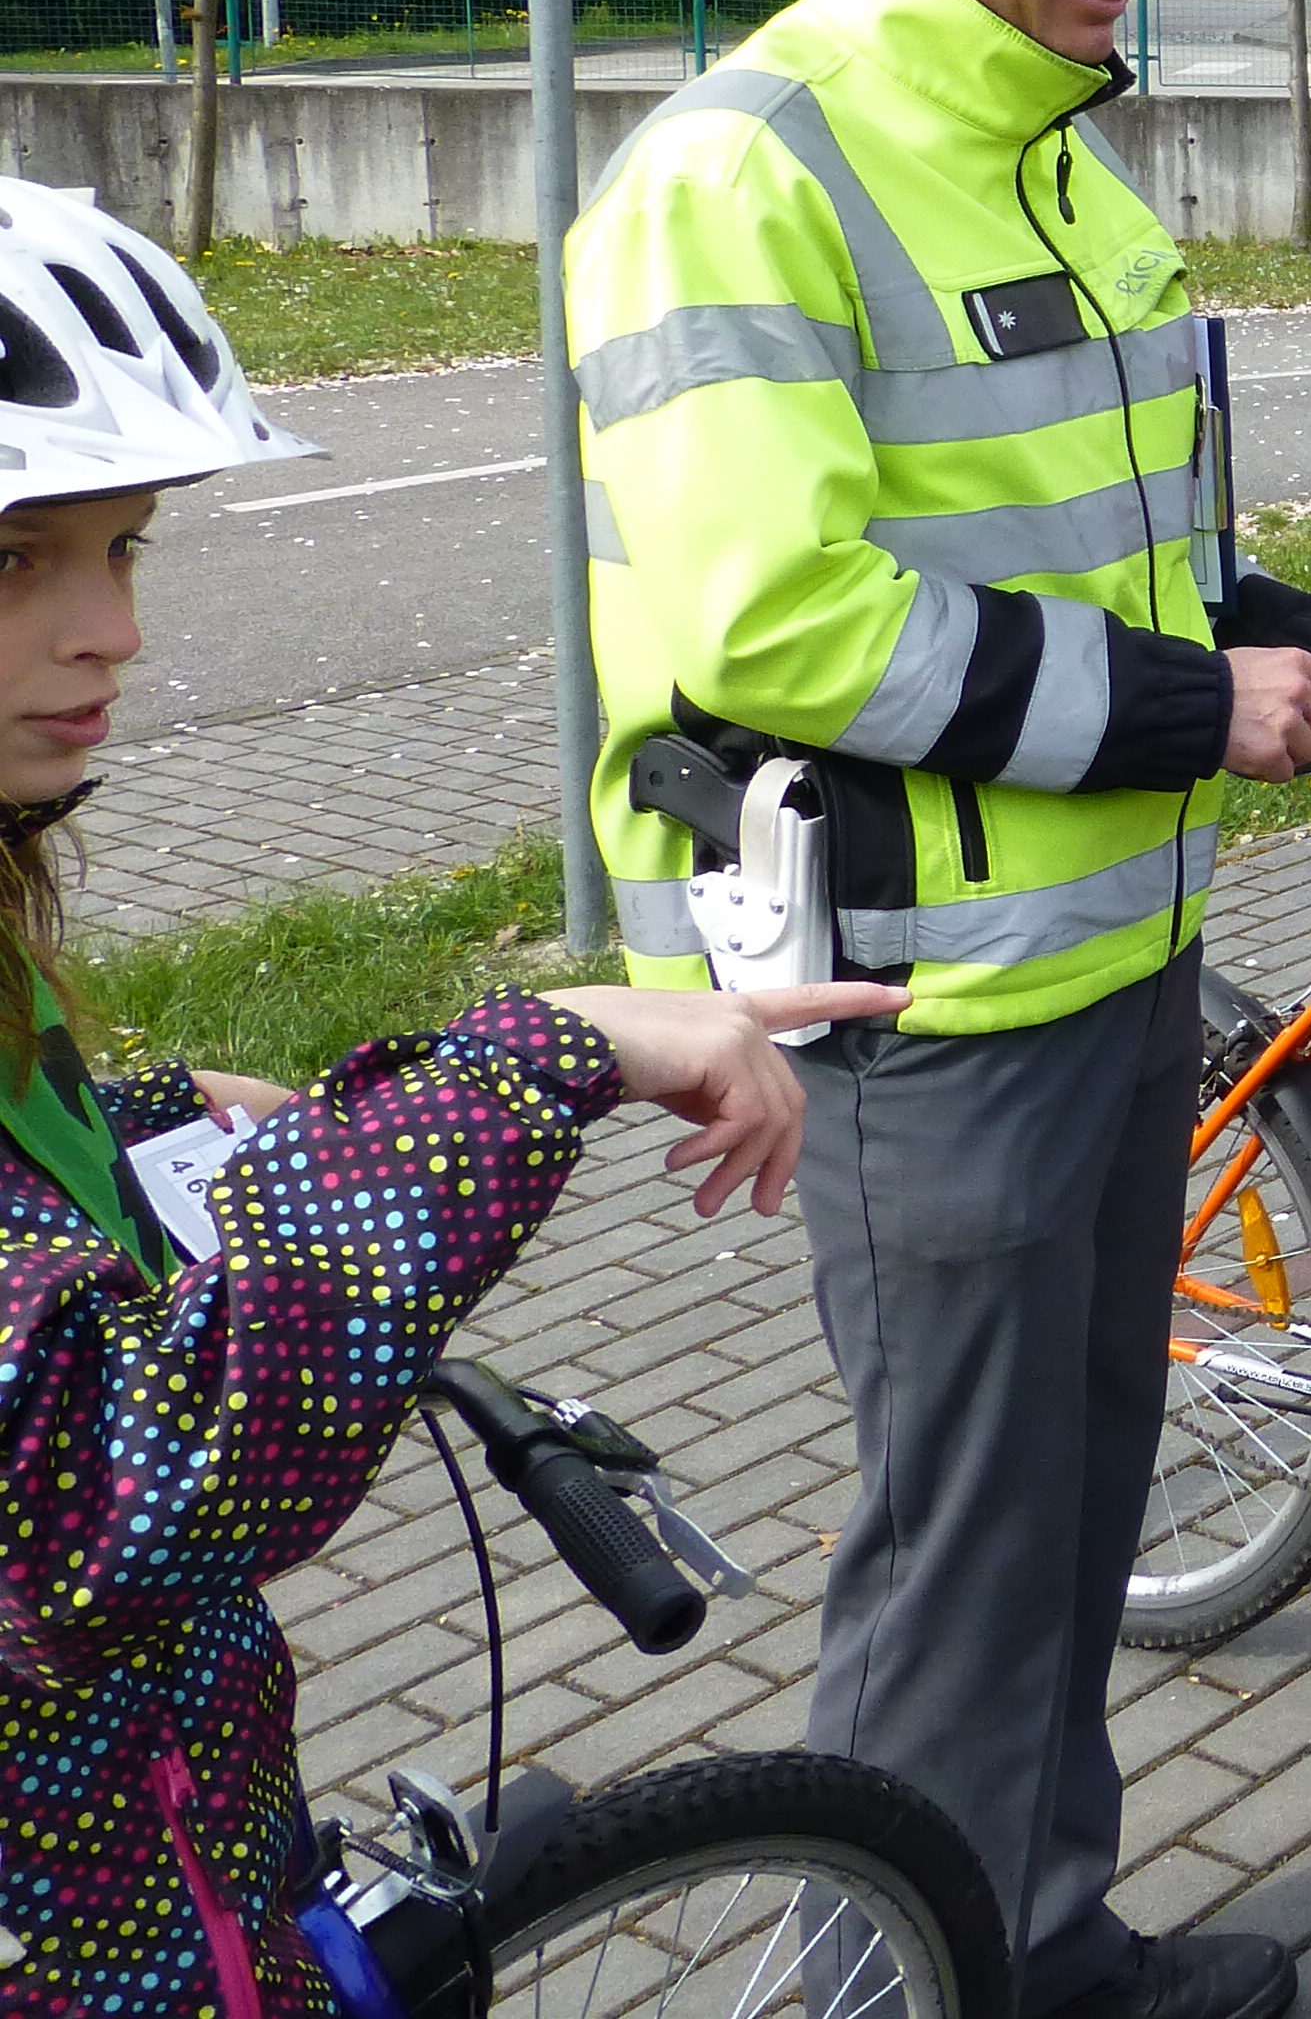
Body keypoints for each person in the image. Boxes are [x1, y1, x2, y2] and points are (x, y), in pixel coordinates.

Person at [569, 0, 1311, 2019]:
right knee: (961, 1578)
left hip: (1103, 969)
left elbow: (1112, 544)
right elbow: (789, 627)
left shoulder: (1049, 152)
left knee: (1063, 1535)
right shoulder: (744, 174)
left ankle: (1033, 1953)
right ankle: (893, 1995)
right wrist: (1205, 702)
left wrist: (1296, 641)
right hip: (923, 1002)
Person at [0, 180, 888, 2018]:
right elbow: (138, 1465)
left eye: (126, 551)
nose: (113, 635)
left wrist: (174, 1117)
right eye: (19, 564)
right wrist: (543, 1051)